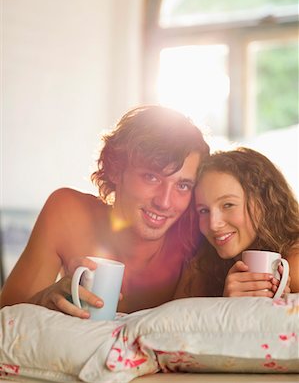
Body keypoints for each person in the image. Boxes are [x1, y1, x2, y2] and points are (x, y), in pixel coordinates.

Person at [0, 105, 210, 317]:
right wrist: (43, 302)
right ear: (117, 170)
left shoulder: (196, 237)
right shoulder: (67, 214)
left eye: (182, 186)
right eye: (151, 177)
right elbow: (5, 318)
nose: (165, 202)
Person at [175, 147, 299, 299]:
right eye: (203, 211)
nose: (213, 224)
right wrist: (226, 306)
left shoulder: (294, 262)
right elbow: (174, 321)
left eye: (228, 205)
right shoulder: (201, 266)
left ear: (264, 202)